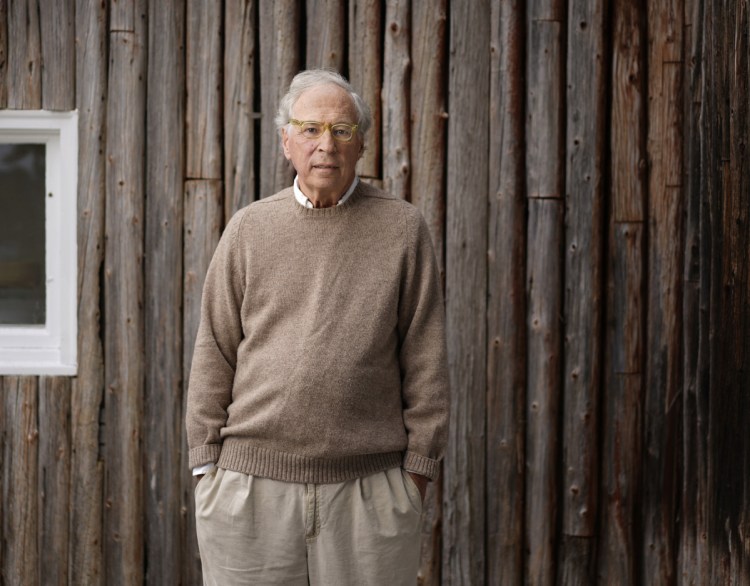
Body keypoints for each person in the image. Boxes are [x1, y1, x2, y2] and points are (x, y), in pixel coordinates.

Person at [186, 68, 449, 586]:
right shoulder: (249, 229)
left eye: (341, 130)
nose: (325, 145)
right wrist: (207, 471)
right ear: (287, 141)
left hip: (369, 493)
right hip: (249, 491)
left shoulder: (403, 230)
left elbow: (427, 360)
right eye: (310, 129)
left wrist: (414, 478)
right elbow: (214, 350)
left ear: (362, 144)